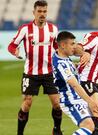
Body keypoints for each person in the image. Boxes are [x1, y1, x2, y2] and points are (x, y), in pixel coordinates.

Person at [7, 1, 90, 135]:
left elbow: (59, 50)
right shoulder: (25, 29)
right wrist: (15, 51)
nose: (42, 14)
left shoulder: (53, 29)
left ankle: (56, 130)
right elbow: (11, 45)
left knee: (57, 104)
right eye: (39, 11)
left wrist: (69, 62)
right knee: (27, 103)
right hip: (30, 73)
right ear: (33, 13)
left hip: (49, 72)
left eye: (44, 11)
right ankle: (19, 133)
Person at [52, 31, 98, 135]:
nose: (75, 46)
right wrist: (90, 102)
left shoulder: (62, 57)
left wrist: (75, 65)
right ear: (63, 45)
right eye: (72, 44)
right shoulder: (61, 64)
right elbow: (74, 85)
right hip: (70, 100)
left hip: (77, 99)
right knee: (89, 126)